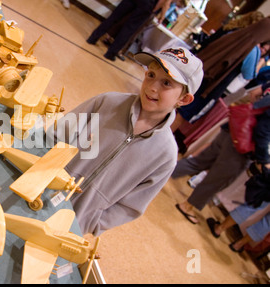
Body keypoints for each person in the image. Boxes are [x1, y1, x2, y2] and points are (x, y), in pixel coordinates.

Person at [46, 47, 202, 236]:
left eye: (166, 83)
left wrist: (91, 223)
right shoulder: (107, 102)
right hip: (41, 188)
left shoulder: (166, 155)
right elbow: (57, 134)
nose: (152, 87)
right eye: (151, 75)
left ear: (184, 99)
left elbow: (131, 206)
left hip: (73, 224)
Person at [173, 80, 270, 224]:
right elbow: (263, 132)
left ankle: (157, 173)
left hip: (233, 130)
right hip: (242, 146)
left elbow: (254, 94)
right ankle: (187, 206)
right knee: (217, 180)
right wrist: (265, 160)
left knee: (198, 162)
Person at [172, 17, 270, 131]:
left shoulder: (237, 33)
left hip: (202, 73)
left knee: (174, 104)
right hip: (213, 85)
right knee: (184, 114)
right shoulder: (253, 49)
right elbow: (248, 74)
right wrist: (261, 61)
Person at [86, 0, 180, 61]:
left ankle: (92, 38)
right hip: (150, 0)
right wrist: (158, 12)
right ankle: (110, 53)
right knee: (129, 28)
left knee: (114, 16)